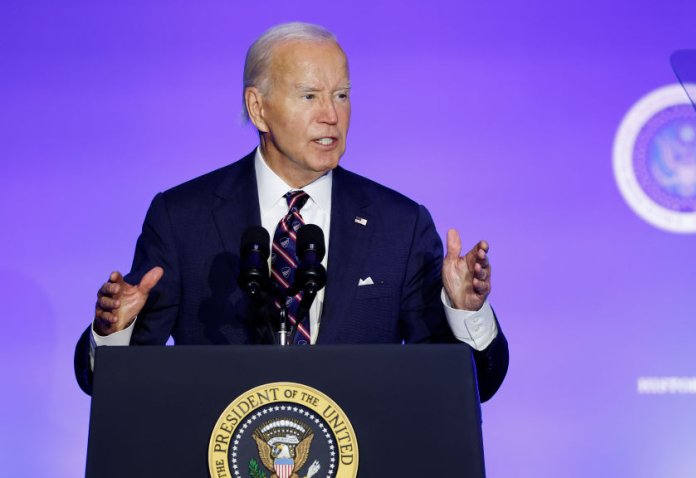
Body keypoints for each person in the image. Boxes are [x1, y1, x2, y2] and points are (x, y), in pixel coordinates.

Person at [74, 22, 508, 401]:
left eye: (341, 95)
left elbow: (469, 386)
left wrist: (465, 312)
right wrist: (114, 333)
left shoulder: (400, 225)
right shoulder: (181, 217)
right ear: (258, 107)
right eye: (309, 96)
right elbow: (113, 384)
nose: (331, 116)